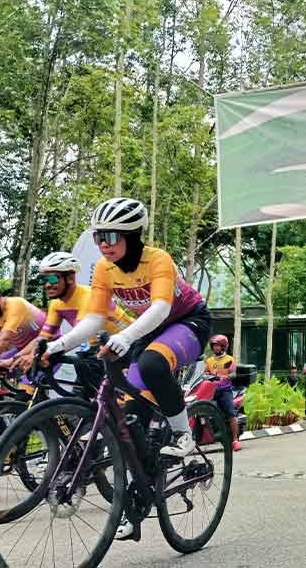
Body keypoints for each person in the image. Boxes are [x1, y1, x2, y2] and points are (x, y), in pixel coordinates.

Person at [42, 197, 211, 541]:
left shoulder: (157, 259)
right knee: (129, 420)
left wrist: (127, 337)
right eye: (98, 237)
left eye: (112, 236)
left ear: (133, 236)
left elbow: (162, 308)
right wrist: (57, 346)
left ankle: (182, 434)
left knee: (150, 364)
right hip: (146, 329)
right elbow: (93, 319)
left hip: (186, 321)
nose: (104, 244)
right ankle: (136, 506)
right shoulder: (104, 269)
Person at [2, 251, 132, 396]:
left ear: (70, 278)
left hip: (127, 344)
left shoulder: (89, 296)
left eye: (52, 279)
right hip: (99, 347)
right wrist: (13, 360)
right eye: (44, 279)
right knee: (84, 400)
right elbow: (44, 337)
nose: (47, 285)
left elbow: (79, 335)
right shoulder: (56, 304)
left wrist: (37, 355)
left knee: (117, 402)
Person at [205, 334, 242, 451]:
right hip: (211, 390)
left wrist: (225, 376)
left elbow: (233, 373)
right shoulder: (209, 360)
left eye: (218, 346)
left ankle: (235, 440)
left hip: (225, 390)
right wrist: (206, 376)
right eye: (214, 346)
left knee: (231, 414)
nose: (215, 348)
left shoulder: (229, 359)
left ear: (223, 347)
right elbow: (205, 373)